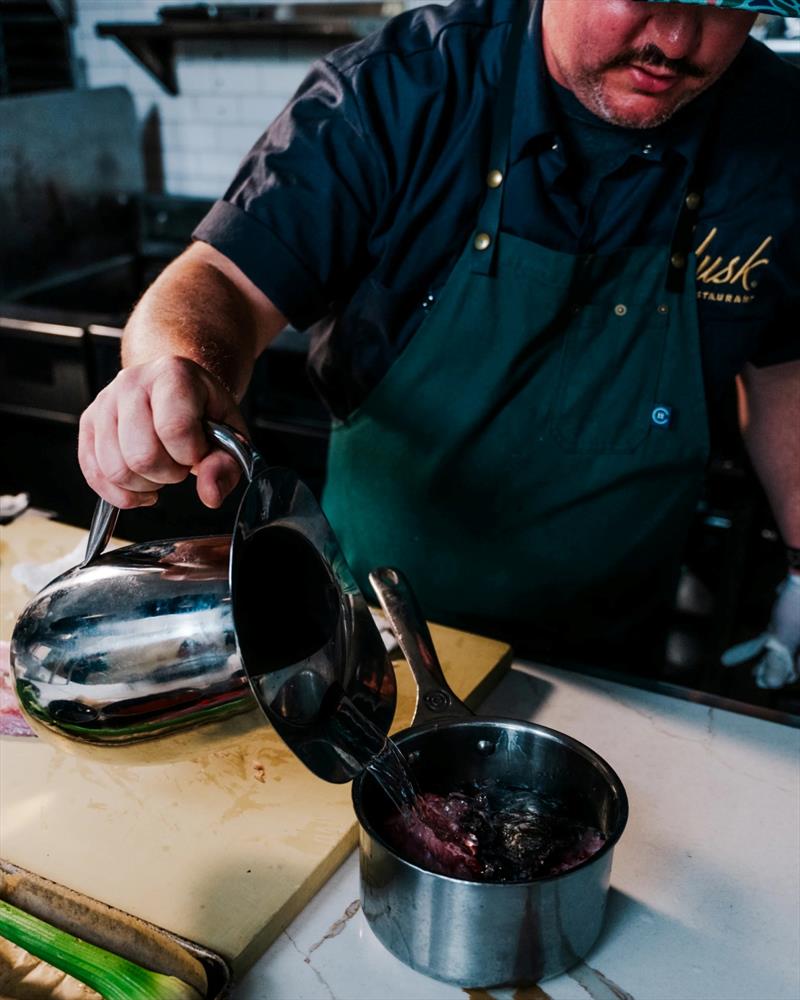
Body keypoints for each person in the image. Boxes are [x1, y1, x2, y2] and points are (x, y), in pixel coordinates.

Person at [78, 0, 800, 681]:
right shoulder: (404, 86)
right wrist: (176, 366)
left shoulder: (778, 132)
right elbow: (221, 281)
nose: (676, 40)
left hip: (616, 661)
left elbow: (786, 376)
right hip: (374, 640)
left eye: (723, 4)